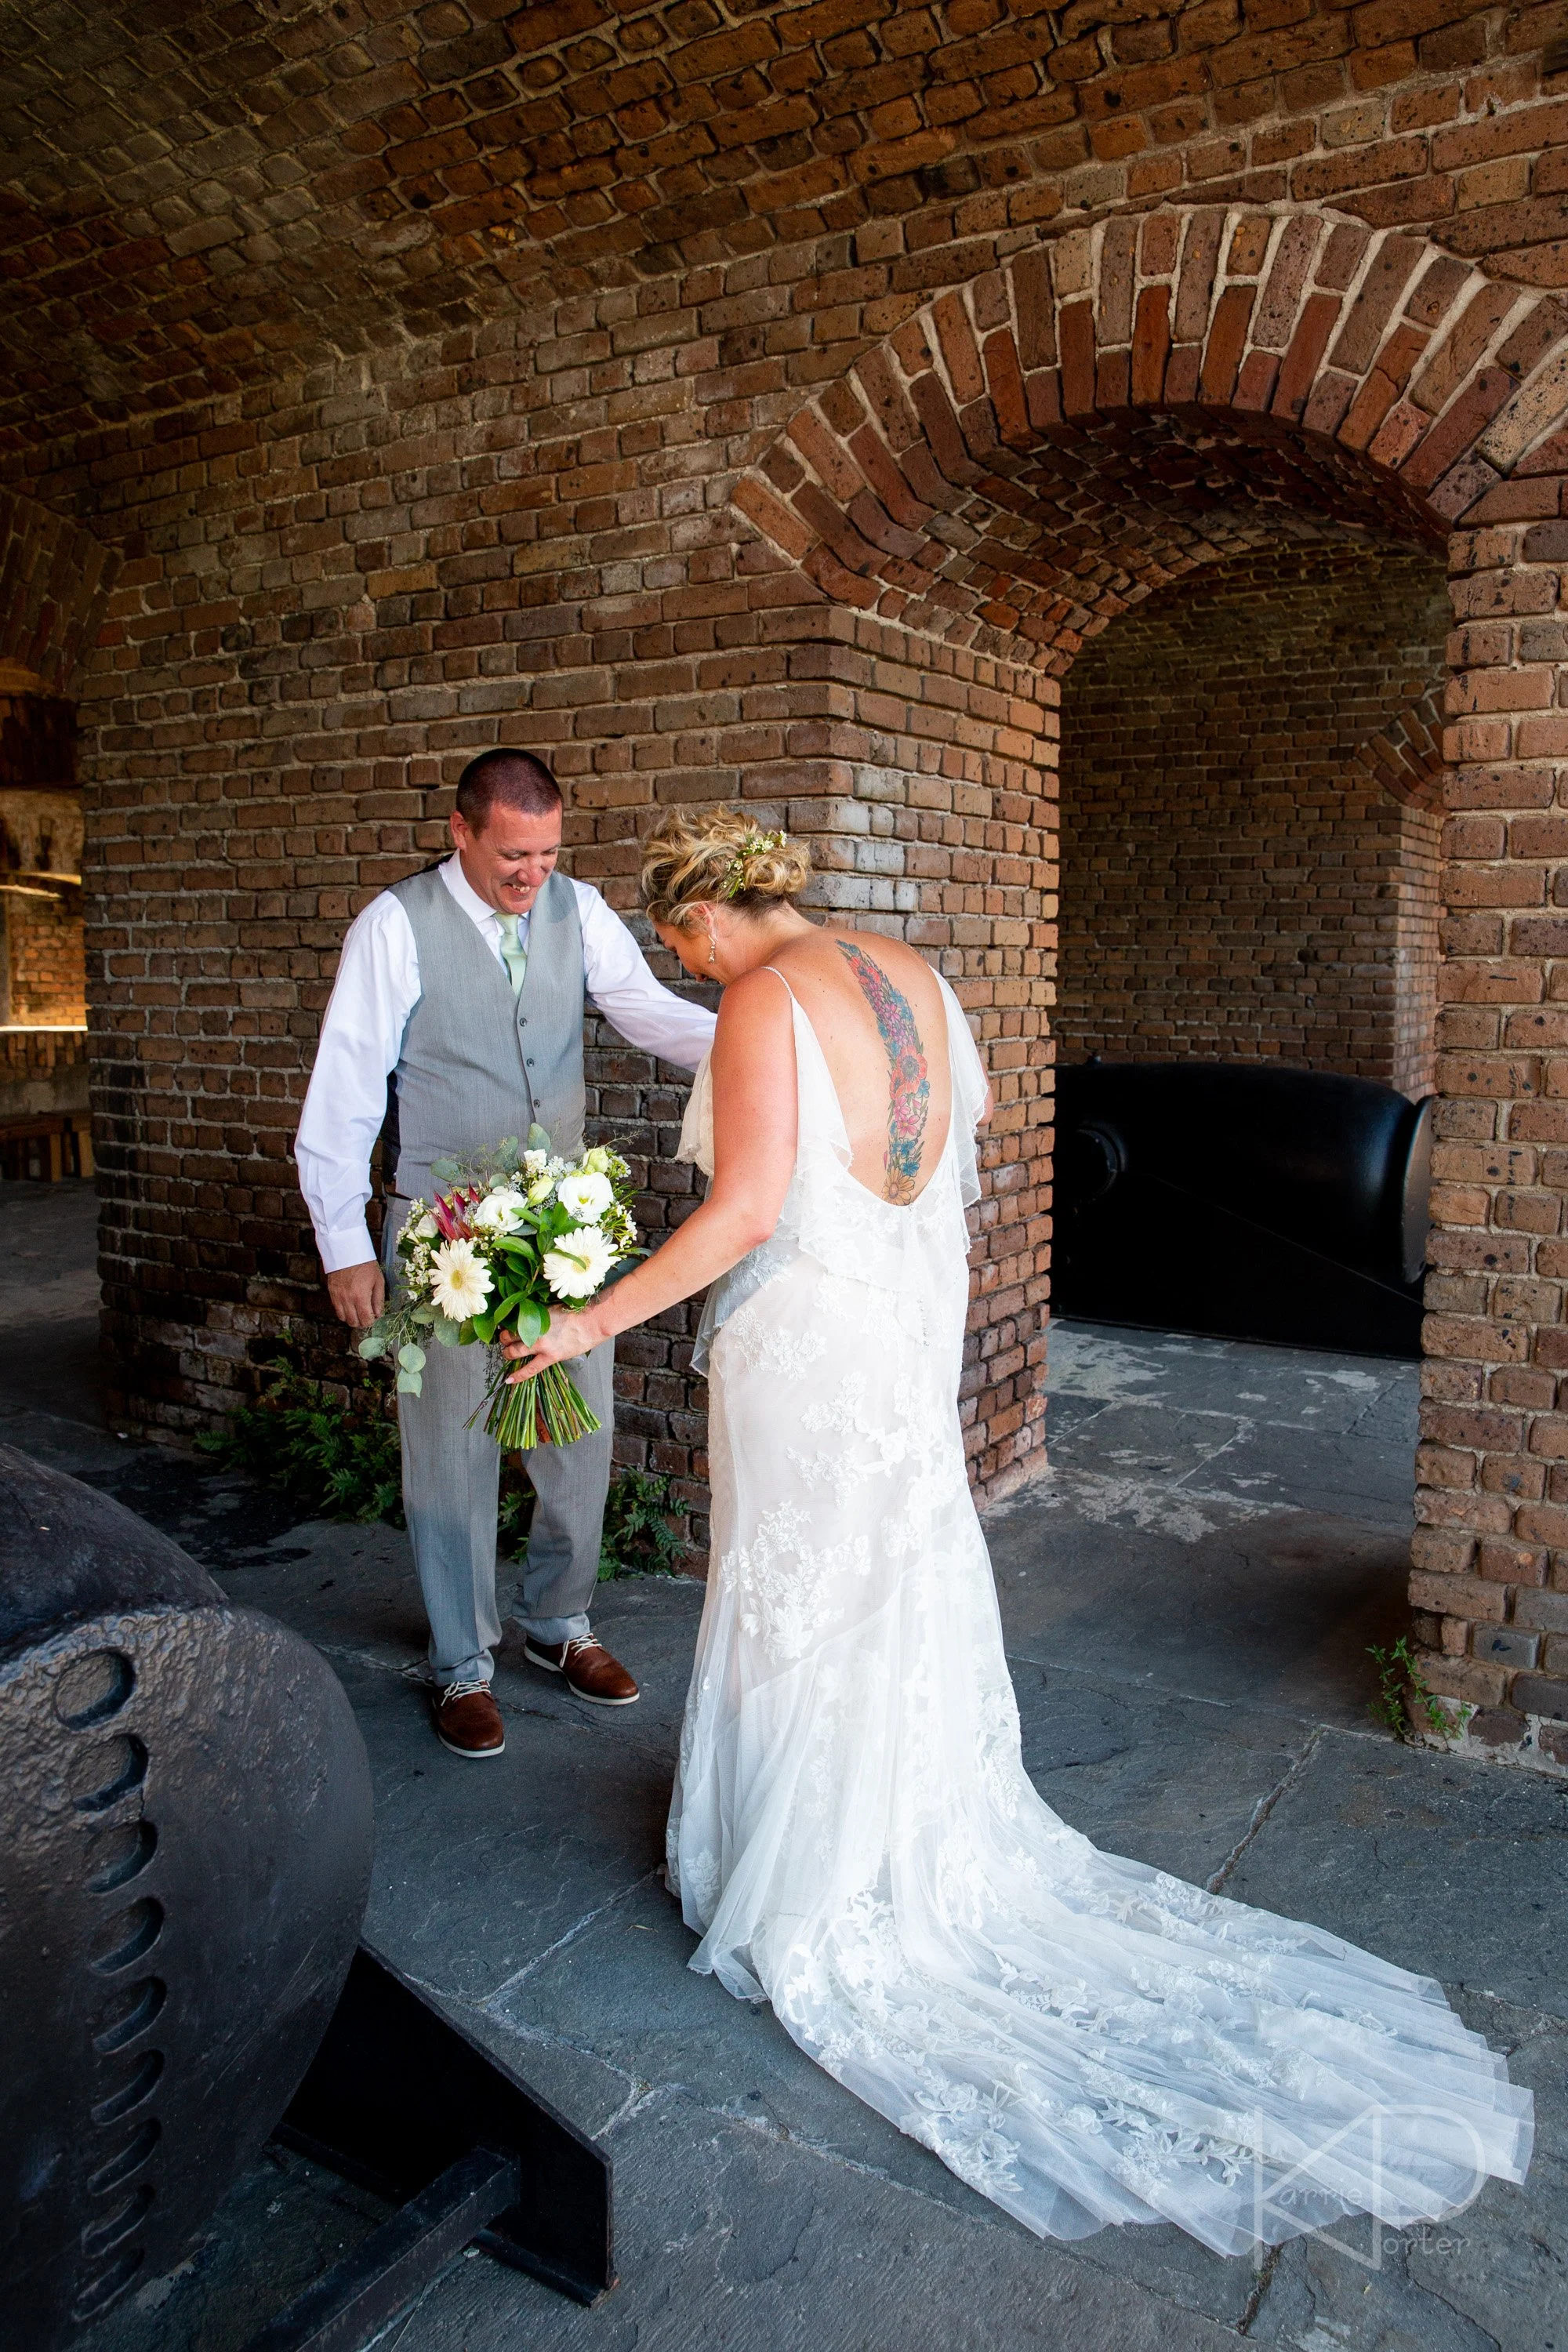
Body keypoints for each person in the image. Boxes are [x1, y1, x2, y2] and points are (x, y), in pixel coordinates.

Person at [499, 801, 1533, 2256]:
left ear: (698, 922)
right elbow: (953, 1170)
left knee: (798, 1598)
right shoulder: (918, 978)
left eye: (680, 947)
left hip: (805, 1346)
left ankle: (806, 1875)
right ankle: (889, 1831)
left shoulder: (756, 1005)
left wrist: (588, 1317)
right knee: (883, 1587)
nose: (692, 967)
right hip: (897, 1345)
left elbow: (740, 1217)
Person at [295, 752, 715, 1759]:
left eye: (547, 852)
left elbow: (647, 1012)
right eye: (513, 855)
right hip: (438, 1226)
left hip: (566, 1223)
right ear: (462, 831)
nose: (532, 874)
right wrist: (344, 1244)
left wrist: (767, 1043)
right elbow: (346, 1089)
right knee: (450, 1451)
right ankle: (460, 1662)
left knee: (577, 1434)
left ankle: (558, 1626)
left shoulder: (579, 910)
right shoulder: (395, 926)